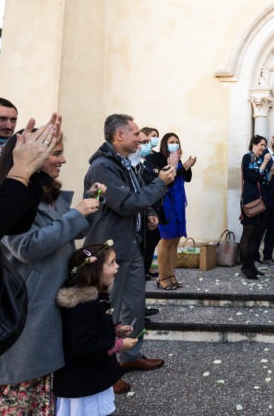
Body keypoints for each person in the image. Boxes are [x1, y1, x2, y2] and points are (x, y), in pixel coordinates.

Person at [0, 135, 104, 414]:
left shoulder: (46, 194)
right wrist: (76, 214)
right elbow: (26, 247)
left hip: (49, 308)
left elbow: (69, 233)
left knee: (42, 395)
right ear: (33, 157)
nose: (63, 160)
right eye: (57, 154)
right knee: (19, 396)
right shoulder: (5, 198)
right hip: (28, 314)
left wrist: (89, 205)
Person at [83, 114, 175, 390]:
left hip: (131, 245)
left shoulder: (127, 164)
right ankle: (105, 372)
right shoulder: (102, 168)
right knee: (111, 312)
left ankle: (131, 356)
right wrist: (161, 184)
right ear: (119, 136)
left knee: (134, 307)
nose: (141, 139)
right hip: (111, 249)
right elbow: (123, 203)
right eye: (136, 134)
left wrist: (147, 212)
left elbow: (135, 194)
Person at [0, 114, 61, 415]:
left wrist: (32, 174)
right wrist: (23, 169)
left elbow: (15, 222)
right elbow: (7, 238)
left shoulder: (24, 189)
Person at [53, 242, 138, 416]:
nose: (117, 266)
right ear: (95, 270)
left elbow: (93, 326)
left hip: (91, 379)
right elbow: (83, 345)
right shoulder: (83, 304)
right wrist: (118, 345)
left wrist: (116, 330)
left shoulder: (95, 296)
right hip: (84, 383)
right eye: (111, 263)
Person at [146, 133, 196, 290]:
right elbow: (166, 179)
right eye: (171, 142)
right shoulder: (158, 158)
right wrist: (177, 167)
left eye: (176, 142)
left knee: (175, 241)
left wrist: (187, 166)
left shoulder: (176, 157)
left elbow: (186, 177)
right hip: (165, 204)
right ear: (164, 144)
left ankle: (171, 274)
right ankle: (162, 277)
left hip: (178, 203)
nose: (174, 144)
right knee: (166, 240)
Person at [239, 135, 273, 280]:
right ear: (253, 144)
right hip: (250, 200)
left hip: (261, 201)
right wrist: (265, 164)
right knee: (248, 233)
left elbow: (264, 181)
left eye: (265, 145)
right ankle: (245, 267)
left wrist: (271, 170)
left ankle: (252, 266)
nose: (263, 148)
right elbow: (252, 178)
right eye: (261, 144)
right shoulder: (248, 158)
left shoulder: (260, 160)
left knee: (257, 235)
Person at [254, 133, 274, 268]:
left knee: (272, 230)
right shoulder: (261, 156)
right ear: (272, 141)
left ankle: (268, 257)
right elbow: (258, 177)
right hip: (263, 199)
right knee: (259, 229)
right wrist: (271, 167)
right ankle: (255, 258)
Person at [134, 129, 160, 281]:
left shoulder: (149, 161)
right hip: (141, 213)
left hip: (151, 209)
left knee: (150, 243)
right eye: (144, 142)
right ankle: (143, 272)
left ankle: (144, 271)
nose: (148, 145)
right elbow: (141, 191)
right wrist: (161, 182)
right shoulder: (133, 165)